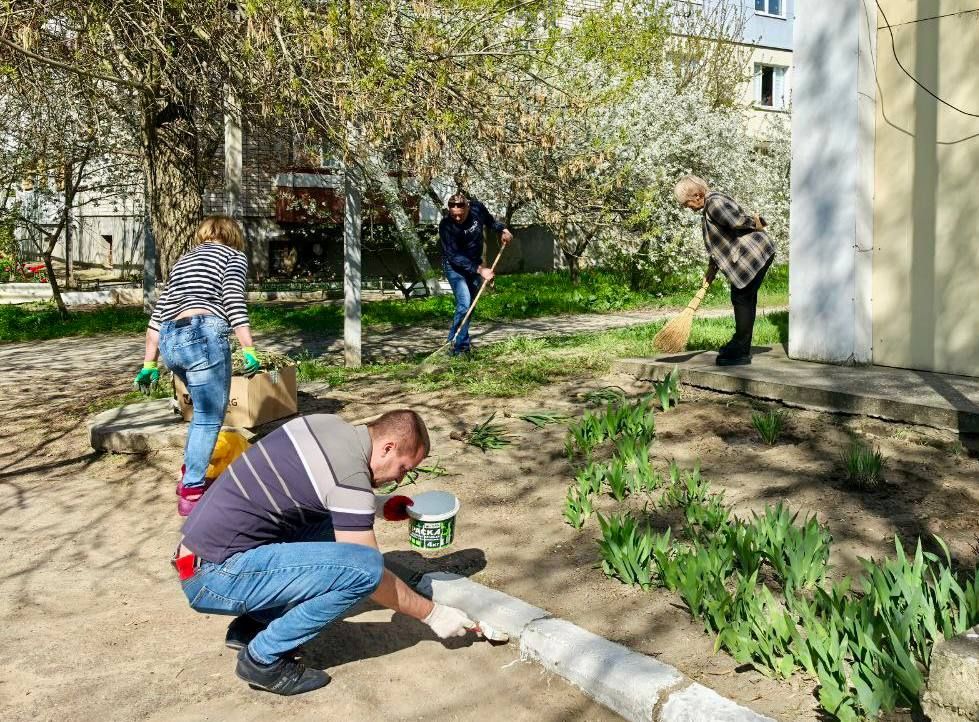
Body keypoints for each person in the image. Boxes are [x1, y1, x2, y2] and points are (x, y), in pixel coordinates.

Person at [171, 410, 480, 695]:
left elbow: (317, 490)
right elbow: (371, 576)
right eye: (403, 468)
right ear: (387, 447)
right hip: (213, 576)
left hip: (198, 555)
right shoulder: (349, 480)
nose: (399, 479)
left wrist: (381, 507)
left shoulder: (325, 425)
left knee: (332, 526)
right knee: (366, 569)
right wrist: (433, 614)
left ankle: (252, 626)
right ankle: (262, 659)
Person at [134, 215, 261, 516]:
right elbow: (233, 301)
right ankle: (192, 491)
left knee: (200, 415)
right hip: (204, 335)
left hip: (170, 340)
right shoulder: (233, 256)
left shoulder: (183, 261)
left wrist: (149, 363)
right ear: (232, 235)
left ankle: (188, 476)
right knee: (207, 417)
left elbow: (158, 314)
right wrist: (249, 347)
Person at [674, 175, 775, 366]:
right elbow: (720, 241)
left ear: (697, 195)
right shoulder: (710, 206)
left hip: (754, 253)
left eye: (686, 203)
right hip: (753, 254)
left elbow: (735, 221)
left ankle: (740, 348)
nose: (687, 208)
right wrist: (712, 268)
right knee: (743, 296)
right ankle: (740, 346)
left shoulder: (713, 203)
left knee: (742, 297)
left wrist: (757, 221)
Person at [439, 191, 513, 356]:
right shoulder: (446, 226)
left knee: (469, 307)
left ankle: (456, 346)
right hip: (454, 267)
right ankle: (456, 347)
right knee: (464, 304)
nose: (457, 219)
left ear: (468, 207)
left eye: (460, 215)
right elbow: (454, 256)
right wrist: (481, 270)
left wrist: (503, 230)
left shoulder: (477, 209)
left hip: (475, 263)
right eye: (454, 215)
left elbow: (490, 221)